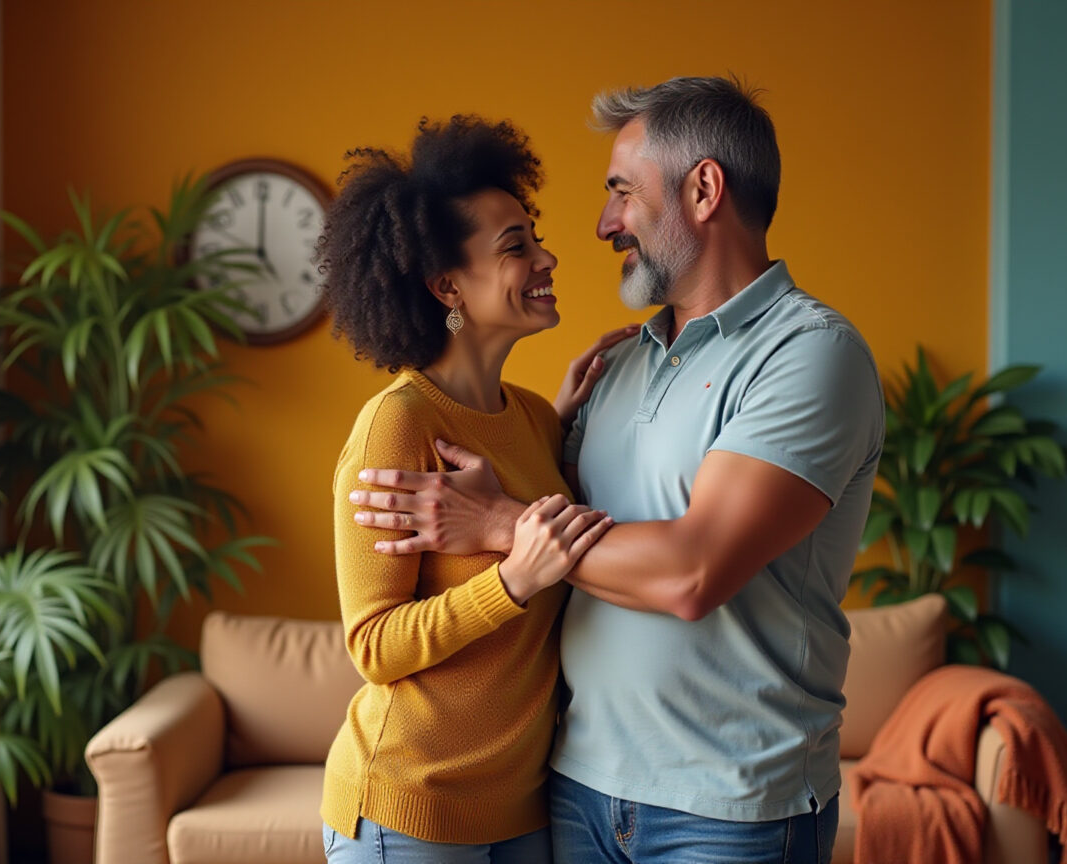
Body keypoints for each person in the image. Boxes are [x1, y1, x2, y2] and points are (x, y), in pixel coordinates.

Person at [346, 76, 885, 864]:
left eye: (622, 192)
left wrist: (500, 522)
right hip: (576, 789)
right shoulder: (617, 367)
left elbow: (692, 574)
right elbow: (384, 631)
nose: (601, 224)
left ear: (704, 189)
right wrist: (552, 431)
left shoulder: (809, 355)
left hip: (727, 806)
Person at [317, 114, 633, 864]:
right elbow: (374, 646)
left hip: (523, 807)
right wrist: (512, 581)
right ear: (447, 285)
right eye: (516, 247)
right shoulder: (399, 424)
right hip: (408, 808)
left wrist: (562, 423)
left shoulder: (533, 417)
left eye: (535, 237)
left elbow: (538, 515)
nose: (547, 256)